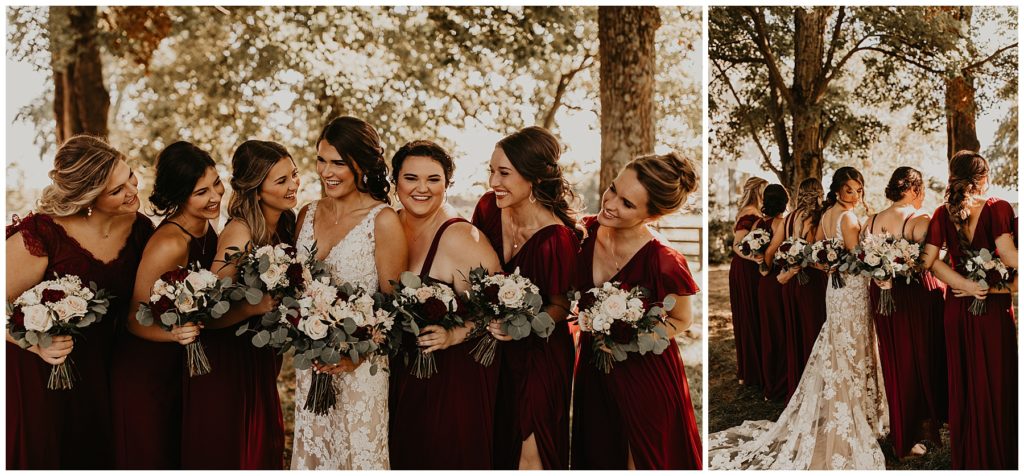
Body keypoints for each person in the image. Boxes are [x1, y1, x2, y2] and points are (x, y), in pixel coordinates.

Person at [709, 167, 888, 470]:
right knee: (855, 346)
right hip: (852, 291)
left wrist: (830, 266)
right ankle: (861, 412)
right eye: (849, 190)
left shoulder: (828, 214)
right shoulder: (847, 217)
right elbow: (858, 258)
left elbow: (815, 253)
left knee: (839, 344)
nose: (855, 196)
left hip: (835, 290)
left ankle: (851, 408)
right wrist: (880, 267)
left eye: (859, 190)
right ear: (837, 190)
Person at [7, 135, 154, 469]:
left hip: (103, 368)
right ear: (87, 197)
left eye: (129, 176)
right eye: (116, 191)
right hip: (41, 370)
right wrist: (36, 345)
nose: (132, 192)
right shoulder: (43, 235)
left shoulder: (141, 229)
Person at [570, 152, 702, 469]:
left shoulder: (664, 260)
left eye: (628, 204)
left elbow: (682, 320)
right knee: (600, 451)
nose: (611, 203)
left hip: (646, 375)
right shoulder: (581, 236)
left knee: (640, 459)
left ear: (651, 216)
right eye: (613, 189)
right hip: (595, 371)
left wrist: (631, 337)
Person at [290, 117, 407, 470]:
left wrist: (356, 355)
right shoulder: (306, 213)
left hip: (360, 372)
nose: (327, 171)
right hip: (312, 368)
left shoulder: (382, 220)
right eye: (321, 160)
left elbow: (392, 309)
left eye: (338, 162)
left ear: (362, 164)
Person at [180, 140, 298, 469]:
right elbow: (205, 312)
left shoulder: (288, 224)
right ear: (257, 190)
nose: (293, 185)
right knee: (234, 451)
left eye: (294, 174)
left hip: (261, 357)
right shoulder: (239, 233)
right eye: (281, 181)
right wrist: (251, 308)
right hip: (229, 362)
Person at [387, 140, 503, 469]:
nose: (421, 188)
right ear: (395, 181)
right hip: (397, 374)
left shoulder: (461, 238)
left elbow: (495, 308)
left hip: (449, 382)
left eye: (433, 179)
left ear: (447, 184)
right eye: (411, 178)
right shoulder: (386, 225)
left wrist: (454, 334)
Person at [472, 126, 580, 469]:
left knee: (530, 451)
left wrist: (522, 327)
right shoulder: (488, 208)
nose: (493, 181)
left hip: (541, 356)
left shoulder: (556, 239)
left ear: (532, 177)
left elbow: (561, 305)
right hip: (492, 353)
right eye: (491, 170)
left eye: (504, 173)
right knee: (495, 441)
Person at [110, 141, 222, 469]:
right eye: (201, 192)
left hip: (178, 367)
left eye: (216, 183)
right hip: (145, 372)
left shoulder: (205, 223)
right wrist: (174, 334)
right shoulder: (169, 243)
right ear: (179, 195)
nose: (215, 196)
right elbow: (133, 318)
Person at [921, 151, 1017, 470]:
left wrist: (964, 283)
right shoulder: (998, 207)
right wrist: (982, 287)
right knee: (994, 380)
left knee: (964, 379)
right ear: (984, 176)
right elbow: (1008, 256)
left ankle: (968, 454)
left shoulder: (941, 213)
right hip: (989, 313)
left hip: (957, 309)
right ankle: (995, 455)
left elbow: (929, 261)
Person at [864, 167, 947, 459]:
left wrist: (880, 276)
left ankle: (907, 428)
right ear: (913, 189)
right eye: (920, 189)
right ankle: (918, 429)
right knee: (919, 359)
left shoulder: (871, 220)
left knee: (895, 361)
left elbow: (864, 261)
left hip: (882, 295)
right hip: (913, 296)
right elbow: (929, 261)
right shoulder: (919, 219)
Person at [728, 177, 768, 386]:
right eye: (764, 189)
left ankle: (755, 366)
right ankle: (752, 369)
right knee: (749, 313)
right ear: (758, 191)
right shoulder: (750, 213)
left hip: (748, 267)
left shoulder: (753, 211)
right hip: (745, 268)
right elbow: (737, 245)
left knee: (752, 314)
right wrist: (754, 258)